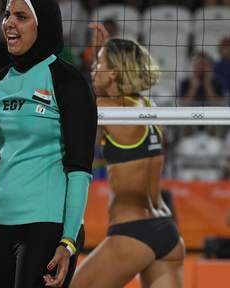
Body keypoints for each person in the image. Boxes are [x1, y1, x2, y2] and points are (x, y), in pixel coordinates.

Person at [0, 0, 98, 287]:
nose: (9, 23)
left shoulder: (67, 81)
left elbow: (80, 170)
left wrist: (68, 241)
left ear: (42, 24)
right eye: (7, 15)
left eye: (21, 16)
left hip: (47, 227)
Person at [70, 23, 185, 288]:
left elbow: (82, 100)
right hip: (167, 230)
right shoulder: (147, 106)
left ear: (114, 73)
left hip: (132, 232)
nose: (92, 68)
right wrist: (106, 51)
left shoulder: (106, 108)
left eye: (98, 63)